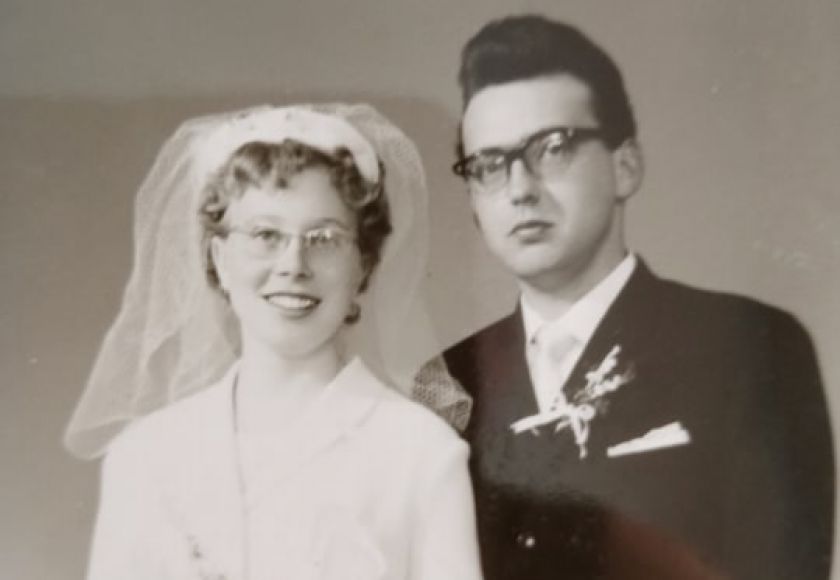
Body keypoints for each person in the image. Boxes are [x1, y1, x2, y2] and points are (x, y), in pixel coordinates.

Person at [418, 14, 835, 580]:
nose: (519, 188)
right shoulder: (446, 384)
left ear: (626, 166)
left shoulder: (751, 346)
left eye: (553, 149)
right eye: (489, 165)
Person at [65, 104, 482, 580]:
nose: (293, 265)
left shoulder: (420, 451)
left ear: (363, 264)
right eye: (265, 234)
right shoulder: (142, 456)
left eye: (323, 238)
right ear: (219, 258)